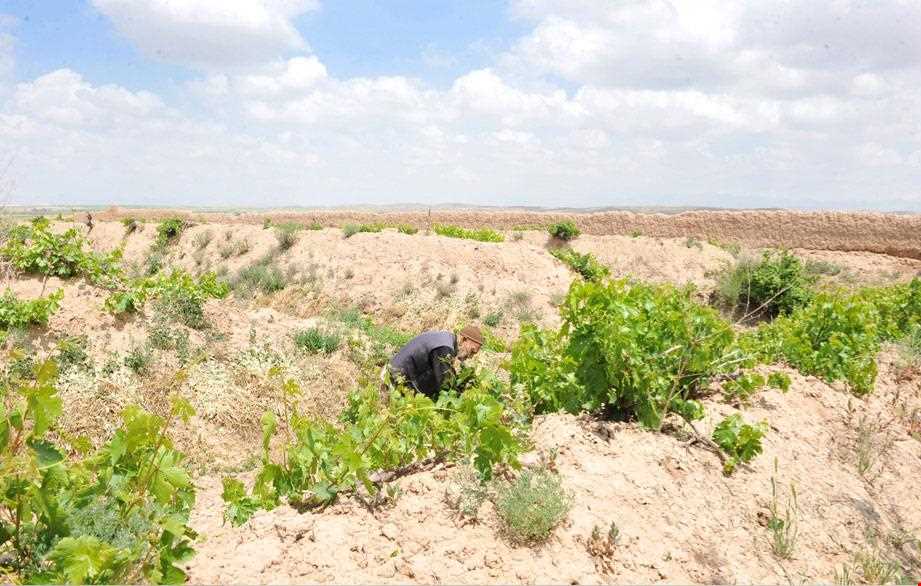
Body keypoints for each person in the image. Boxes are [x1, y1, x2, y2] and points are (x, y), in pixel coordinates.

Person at [382, 325, 484, 399]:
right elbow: (445, 384)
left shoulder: (446, 339)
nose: (470, 356)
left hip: (395, 374)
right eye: (472, 351)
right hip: (394, 380)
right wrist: (460, 397)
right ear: (463, 339)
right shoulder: (444, 347)